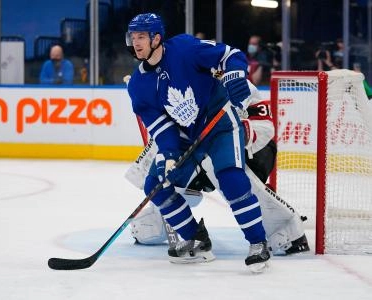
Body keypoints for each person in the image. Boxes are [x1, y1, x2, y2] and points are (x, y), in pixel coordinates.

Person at [126, 13, 271, 272]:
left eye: (141, 37)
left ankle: (258, 244)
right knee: (156, 185)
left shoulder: (184, 49)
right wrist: (169, 155)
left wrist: (236, 74)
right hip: (185, 136)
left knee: (231, 178)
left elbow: (229, 54)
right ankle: (197, 239)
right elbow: (161, 127)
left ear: (156, 38)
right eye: (132, 37)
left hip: (219, 123)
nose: (135, 43)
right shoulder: (137, 85)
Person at [127, 79, 310, 256]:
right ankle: (155, 225)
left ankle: (285, 229)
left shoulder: (238, 83)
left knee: (224, 170)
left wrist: (229, 134)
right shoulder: (180, 87)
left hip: (254, 152)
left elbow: (265, 127)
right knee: (165, 172)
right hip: (201, 154)